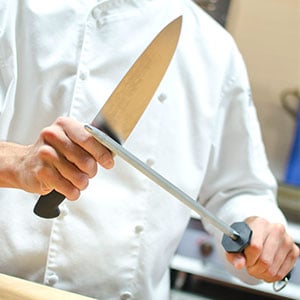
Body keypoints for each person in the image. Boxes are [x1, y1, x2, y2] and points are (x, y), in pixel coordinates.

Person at [0, 0, 298, 299]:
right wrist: (17, 163)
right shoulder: (16, 9)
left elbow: (238, 189)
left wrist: (260, 231)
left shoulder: (214, 49)